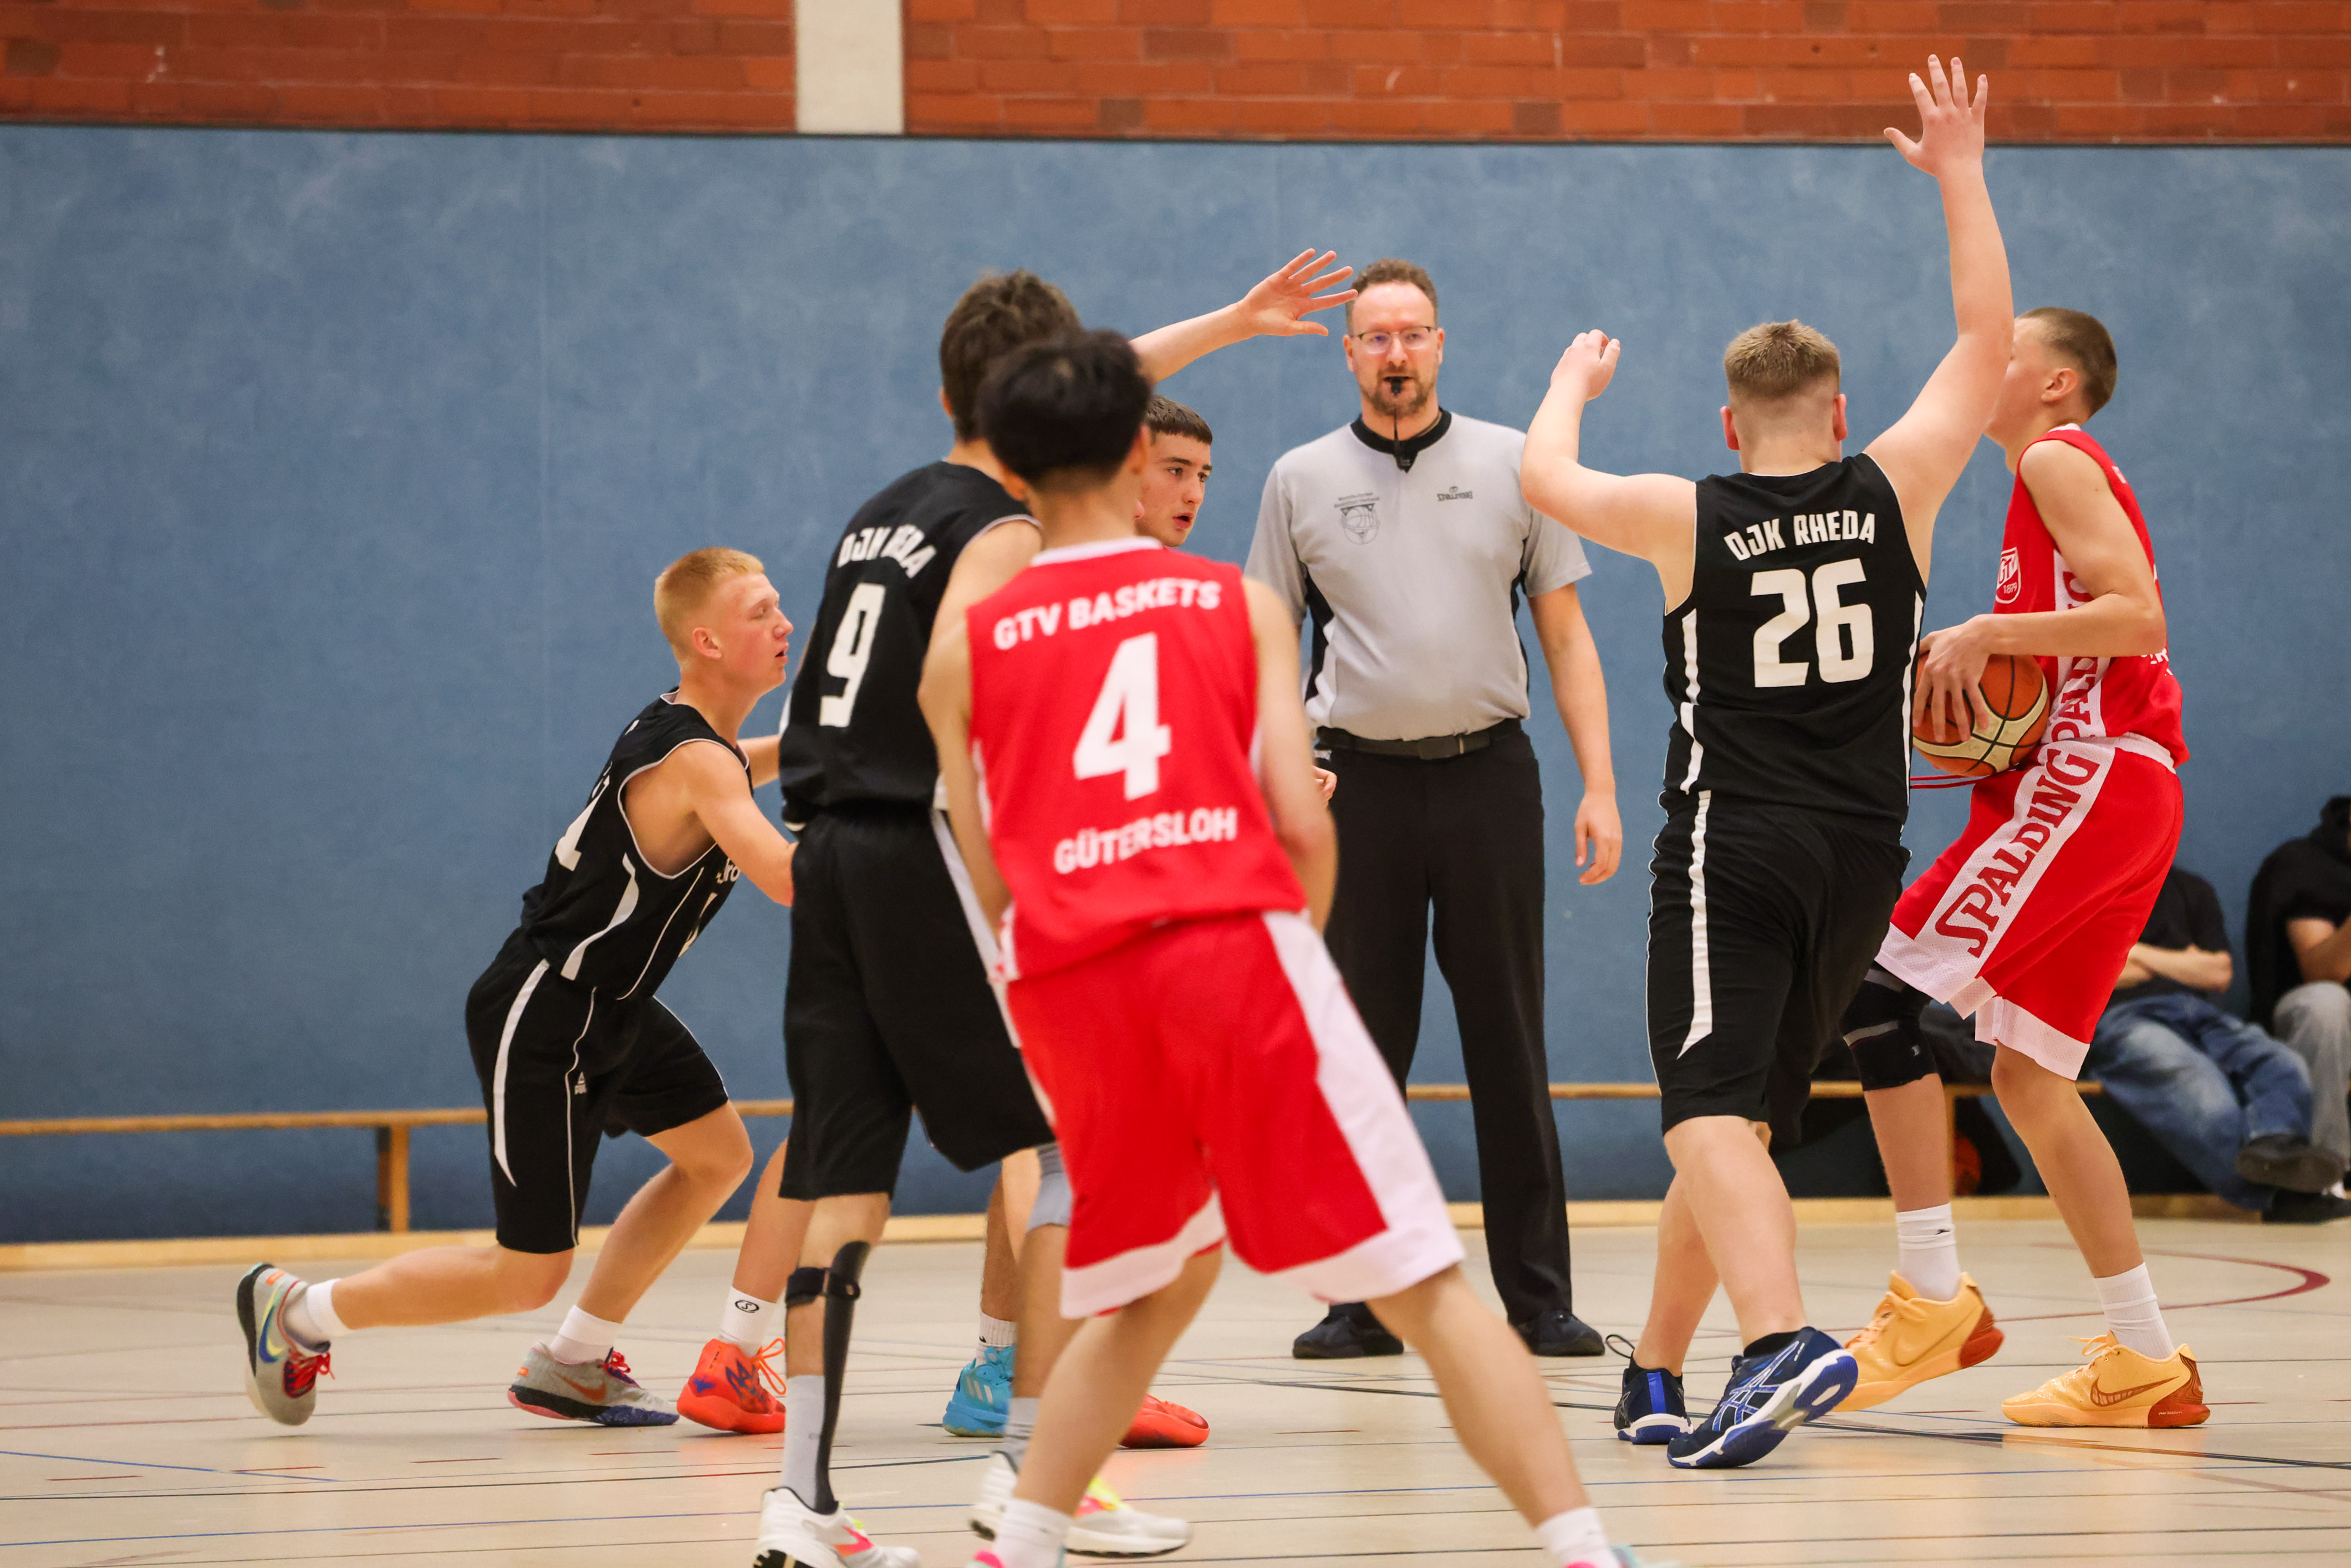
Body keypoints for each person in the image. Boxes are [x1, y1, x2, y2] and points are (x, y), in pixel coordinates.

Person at [921, 328, 1662, 1568]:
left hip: (1070, 986)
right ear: (1134, 449)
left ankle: (1026, 1536)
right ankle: (1585, 1547)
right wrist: (1289, 953)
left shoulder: (964, 647)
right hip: (1229, 957)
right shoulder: (1231, 605)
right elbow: (1301, 820)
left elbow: (980, 850)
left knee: (1150, 1288)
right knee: (1427, 1284)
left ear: (1007, 461)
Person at [738, 255, 1362, 1568]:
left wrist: (1232, 322)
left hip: (828, 852)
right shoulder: (1000, 532)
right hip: (924, 850)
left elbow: (1098, 379)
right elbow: (956, 690)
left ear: (945, 391)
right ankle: (1036, 1471)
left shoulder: (878, 514)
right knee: (1075, 1147)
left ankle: (801, 1497)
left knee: (843, 1177)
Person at [1520, 57, 2012, 1467]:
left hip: (1728, 847)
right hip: (1861, 853)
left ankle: (1779, 1339)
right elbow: (1985, 338)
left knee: (1698, 1113)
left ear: (1729, 425)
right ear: (1839, 414)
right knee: (1729, 1121)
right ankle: (1656, 1368)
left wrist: (1566, 384)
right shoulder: (1896, 484)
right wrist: (1960, 172)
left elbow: (1541, 479)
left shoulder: (1685, 511)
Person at [235, 549, 797, 1431]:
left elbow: (737, 767)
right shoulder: (698, 761)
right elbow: (790, 878)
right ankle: (296, 1313)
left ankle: (574, 1361)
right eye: (760, 611)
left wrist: (821, 748)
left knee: (718, 1156)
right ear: (708, 641)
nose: (785, 624)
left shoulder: (695, 739)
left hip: (612, 1006)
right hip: (546, 1008)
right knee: (526, 1271)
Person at [1827, 284, 2219, 1426]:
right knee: (2027, 1079)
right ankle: (2144, 1360)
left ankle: (1930, 1299)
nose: (1978, 365)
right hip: (2118, 786)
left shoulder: (2053, 456)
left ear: (2055, 380)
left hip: (2090, 777)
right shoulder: (2040, 476)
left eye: (2003, 352)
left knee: (1872, 987)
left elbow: (2137, 616)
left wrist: (1986, 633)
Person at [1246, 255, 1620, 1362]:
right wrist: (1279, 775)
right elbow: (1264, 646)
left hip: (1487, 780)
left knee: (1509, 1035)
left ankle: (1538, 1298)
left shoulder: (1515, 464)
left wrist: (1599, 784)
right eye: (1375, 336)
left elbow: (1565, 636)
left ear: (1440, 343)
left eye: (1413, 333)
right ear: (1348, 352)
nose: (1395, 353)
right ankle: (1359, 1298)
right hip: (1352, 789)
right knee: (1360, 1048)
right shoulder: (1298, 479)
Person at [2087, 867, 2349, 1222]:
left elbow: (2219, 973)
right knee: (2196, 1084)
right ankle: (2283, 1195)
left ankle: (2274, 1146)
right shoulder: (2090, 888)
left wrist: (2135, 953)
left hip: (2200, 1014)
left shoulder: (2193, 888)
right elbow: (2091, 973)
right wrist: (2186, 962)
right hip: (2121, 1017)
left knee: (2280, 1062)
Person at [2249, 795, 2351, 1183]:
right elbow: (2323, 971)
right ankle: (2322, 1177)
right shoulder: (2304, 864)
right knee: (2325, 1003)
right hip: (2305, 1021)